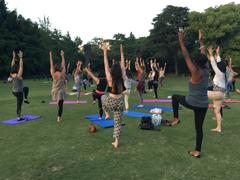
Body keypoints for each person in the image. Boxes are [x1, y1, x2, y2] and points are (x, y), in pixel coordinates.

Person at [170, 30, 209, 158]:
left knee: (175, 97)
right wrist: (201, 41)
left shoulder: (195, 71)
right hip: (203, 105)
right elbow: (203, 54)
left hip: (192, 102)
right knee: (199, 128)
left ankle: (176, 118)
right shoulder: (206, 68)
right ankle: (197, 151)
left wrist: (181, 41)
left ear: (196, 63)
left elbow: (186, 56)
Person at [101, 44, 126, 149]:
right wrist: (121, 52)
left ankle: (106, 113)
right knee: (117, 122)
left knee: (102, 97)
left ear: (112, 70)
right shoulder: (123, 76)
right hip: (120, 102)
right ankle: (116, 141)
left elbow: (106, 65)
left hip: (111, 101)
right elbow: (123, 64)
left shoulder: (110, 77)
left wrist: (105, 53)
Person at [207, 46, 226, 133]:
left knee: (200, 92)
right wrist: (217, 53)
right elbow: (219, 62)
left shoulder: (218, 72)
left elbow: (213, 64)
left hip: (217, 93)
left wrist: (211, 53)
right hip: (221, 94)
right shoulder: (223, 72)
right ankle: (219, 128)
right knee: (217, 111)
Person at [10, 50, 30, 121]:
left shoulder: (11, 75)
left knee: (26, 88)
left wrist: (13, 57)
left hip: (14, 91)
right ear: (17, 69)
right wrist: (21, 57)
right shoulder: (19, 75)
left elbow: (12, 65)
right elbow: (21, 66)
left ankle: (25, 98)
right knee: (19, 104)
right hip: (19, 92)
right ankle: (19, 117)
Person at [49, 50, 66, 122]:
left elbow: (51, 65)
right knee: (61, 105)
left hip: (54, 91)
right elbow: (63, 65)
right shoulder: (62, 74)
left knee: (59, 102)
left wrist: (50, 56)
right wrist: (62, 56)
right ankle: (59, 117)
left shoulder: (53, 74)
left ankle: (57, 100)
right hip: (60, 91)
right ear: (60, 68)